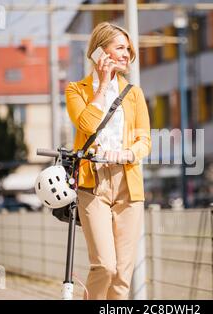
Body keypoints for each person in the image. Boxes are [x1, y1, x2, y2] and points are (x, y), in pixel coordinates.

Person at [65, 22, 151, 300]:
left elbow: (145, 142)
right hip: (93, 184)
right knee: (105, 266)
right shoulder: (76, 90)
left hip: (128, 185)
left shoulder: (134, 94)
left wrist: (127, 153)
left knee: (122, 276)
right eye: (120, 47)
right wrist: (102, 85)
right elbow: (87, 125)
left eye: (128, 48)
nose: (127, 54)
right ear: (100, 52)